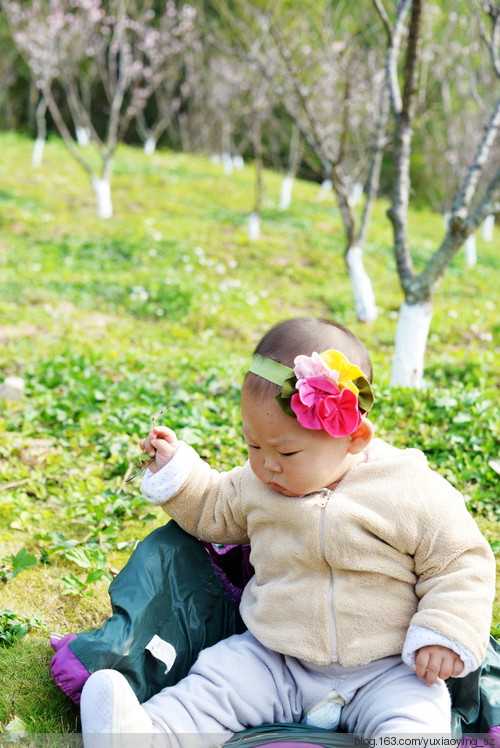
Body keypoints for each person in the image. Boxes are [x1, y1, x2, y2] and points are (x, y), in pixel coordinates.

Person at [80, 317, 496, 742]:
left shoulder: (409, 489)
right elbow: (212, 507)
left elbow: (461, 561)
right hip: (274, 657)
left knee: (417, 718)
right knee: (213, 686)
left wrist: (444, 631)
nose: (266, 464)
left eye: (286, 451)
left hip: (386, 668)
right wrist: (178, 473)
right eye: (253, 445)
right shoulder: (256, 484)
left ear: (354, 438)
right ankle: (146, 736)